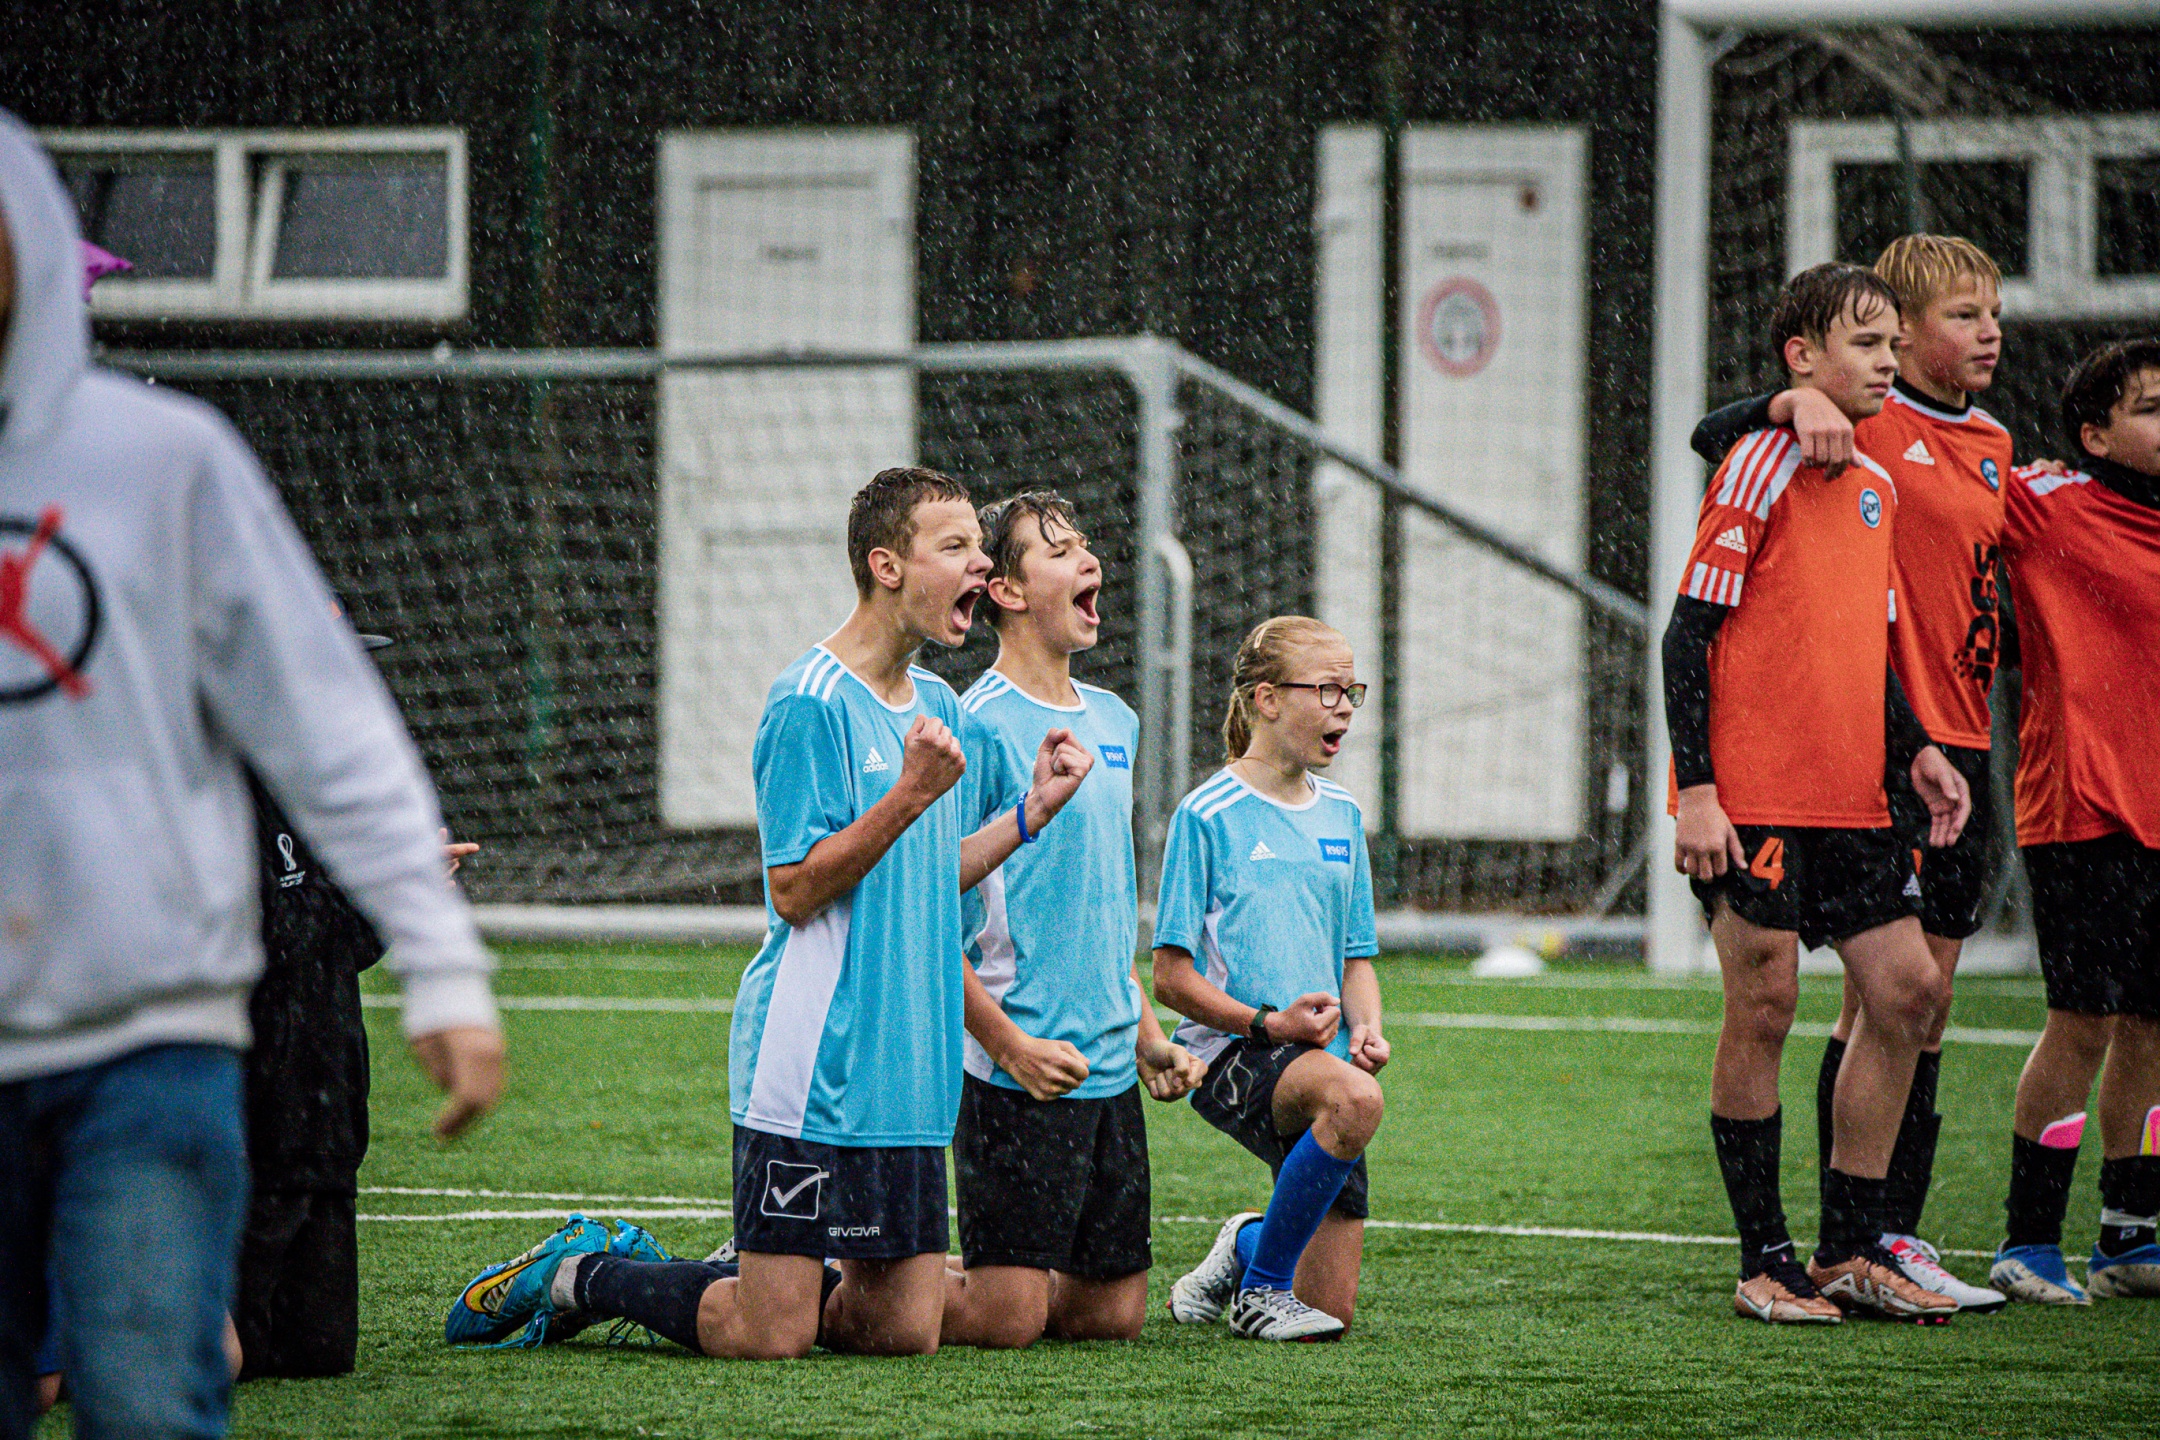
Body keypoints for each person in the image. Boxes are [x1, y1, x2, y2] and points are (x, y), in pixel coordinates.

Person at [0, 110, 504, 1440]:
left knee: (155, 1391)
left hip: (145, 1039)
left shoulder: (164, 461)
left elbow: (330, 723)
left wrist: (440, 959)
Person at [445, 466, 1095, 1360]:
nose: (981, 566)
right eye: (956, 548)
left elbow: (926, 874)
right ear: (887, 566)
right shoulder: (809, 700)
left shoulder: (941, 704)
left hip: (907, 1066)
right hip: (814, 1060)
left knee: (900, 1333)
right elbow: (793, 889)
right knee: (771, 1334)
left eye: (981, 550)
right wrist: (908, 794)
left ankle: (749, 1266)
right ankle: (583, 1274)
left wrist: (1029, 814)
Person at [1690, 235, 2017, 1312]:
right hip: (1758, 791)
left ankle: (1852, 1247)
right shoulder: (1764, 456)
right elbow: (1688, 634)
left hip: (1859, 787)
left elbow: (1868, 646)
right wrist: (1697, 791)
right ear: (1802, 356)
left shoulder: (1879, 479)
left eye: (1889, 343)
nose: (1885, 360)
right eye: (1865, 343)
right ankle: (1764, 1261)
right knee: (1768, 1005)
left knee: (1911, 990)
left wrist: (1914, 746)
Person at [939, 492, 1205, 1349]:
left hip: (1108, 1069)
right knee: (1006, 1321)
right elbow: (932, 918)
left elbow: (1099, 915)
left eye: (1085, 546)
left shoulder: (1116, 719)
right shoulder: (973, 724)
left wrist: (1149, 1038)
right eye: (1058, 552)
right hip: (1016, 1068)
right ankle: (837, 1274)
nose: (1088, 561)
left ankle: (949, 1271)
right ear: (1008, 591)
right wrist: (1010, 1046)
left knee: (1107, 1319)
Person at [1154, 616, 1386, 1343]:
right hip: (1233, 1051)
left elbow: (1355, 956)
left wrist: (1367, 1026)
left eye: (1351, 691)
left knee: (1332, 1307)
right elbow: (1169, 978)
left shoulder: (1343, 815)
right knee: (1355, 1099)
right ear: (1267, 699)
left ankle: (1246, 1245)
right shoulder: (1207, 814)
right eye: (1328, 690)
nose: (1345, 707)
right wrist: (1268, 1024)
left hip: (1319, 1059)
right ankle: (1258, 1294)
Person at [1987, 339, 2160, 1305]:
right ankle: (2028, 1242)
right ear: (2095, 435)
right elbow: (1926, 473)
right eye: (2152, 408)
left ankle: (2129, 1237)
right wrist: (1789, 409)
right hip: (2082, 809)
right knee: (2083, 1022)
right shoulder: (2047, 503)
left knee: (2153, 1025)